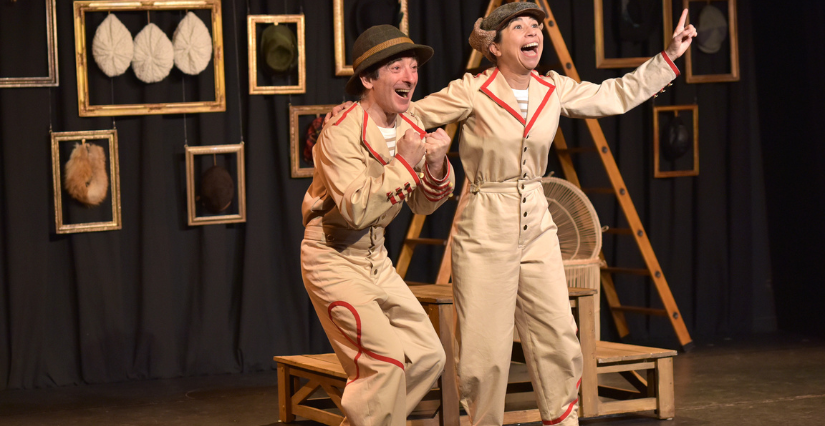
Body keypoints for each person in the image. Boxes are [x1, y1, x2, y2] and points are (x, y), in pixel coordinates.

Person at [327, 4, 696, 425]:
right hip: (485, 220)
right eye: (518, 26)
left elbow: (612, 95)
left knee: (558, 335)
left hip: (537, 220)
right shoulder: (472, 90)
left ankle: (563, 420)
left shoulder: (552, 88)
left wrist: (667, 58)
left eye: (535, 25)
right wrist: (356, 119)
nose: (531, 32)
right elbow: (411, 114)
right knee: (486, 349)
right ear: (495, 45)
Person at [300, 25, 456, 426]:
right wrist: (405, 163)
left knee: (427, 354)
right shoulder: (339, 130)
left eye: (412, 67)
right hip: (332, 255)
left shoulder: (410, 129)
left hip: (376, 257)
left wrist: (436, 165)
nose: (409, 76)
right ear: (368, 80)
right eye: (396, 68)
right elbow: (354, 209)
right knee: (385, 362)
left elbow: (421, 203)